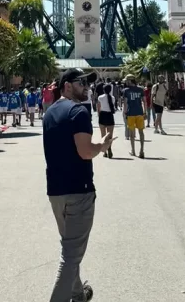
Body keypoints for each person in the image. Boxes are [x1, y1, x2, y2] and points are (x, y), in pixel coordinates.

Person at [43, 68, 113, 302]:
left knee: (69, 248)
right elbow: (85, 152)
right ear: (66, 86)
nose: (86, 87)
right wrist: (102, 146)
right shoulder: (79, 112)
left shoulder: (49, 113)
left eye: (87, 83)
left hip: (56, 192)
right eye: (81, 83)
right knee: (71, 256)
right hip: (79, 191)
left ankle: (78, 295)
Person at [122, 75, 147, 158]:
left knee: (132, 133)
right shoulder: (140, 90)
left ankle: (133, 150)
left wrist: (125, 112)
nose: (126, 82)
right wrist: (145, 112)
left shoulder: (126, 91)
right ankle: (142, 150)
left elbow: (125, 103)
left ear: (130, 81)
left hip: (130, 113)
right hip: (139, 113)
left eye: (127, 81)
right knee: (141, 132)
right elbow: (144, 101)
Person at [95, 83, 116, 158]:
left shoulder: (100, 97)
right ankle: (109, 149)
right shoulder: (112, 98)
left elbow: (98, 107)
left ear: (103, 90)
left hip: (103, 115)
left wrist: (98, 115)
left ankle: (105, 151)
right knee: (110, 135)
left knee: (103, 135)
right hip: (110, 116)